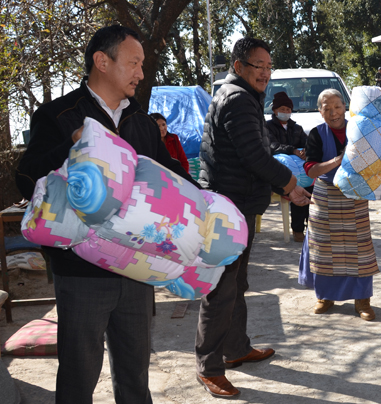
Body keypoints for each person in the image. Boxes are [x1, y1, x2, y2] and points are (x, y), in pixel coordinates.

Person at [15, 25, 200, 404]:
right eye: (134, 63)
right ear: (102, 61)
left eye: (142, 64)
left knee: (135, 376)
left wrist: (205, 200)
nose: (141, 73)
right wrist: (71, 147)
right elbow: (26, 178)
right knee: (78, 377)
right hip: (81, 272)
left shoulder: (141, 121)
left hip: (137, 267)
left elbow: (169, 172)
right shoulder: (58, 116)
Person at [196, 37, 311, 398]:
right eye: (258, 66)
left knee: (236, 283)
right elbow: (254, 157)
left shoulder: (242, 96)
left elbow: (254, 155)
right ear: (238, 66)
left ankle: (235, 348)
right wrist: (290, 185)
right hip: (227, 208)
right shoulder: (237, 100)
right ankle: (209, 367)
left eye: (268, 66)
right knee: (220, 288)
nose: (265, 73)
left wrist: (281, 185)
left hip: (237, 205)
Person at [299, 89, 381, 321]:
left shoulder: (362, 129)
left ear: (346, 107)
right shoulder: (316, 134)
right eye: (327, 108)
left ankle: (362, 300)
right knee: (324, 249)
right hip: (325, 197)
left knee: (359, 249)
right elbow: (311, 170)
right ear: (320, 111)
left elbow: (379, 157)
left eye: (337, 107)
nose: (333, 113)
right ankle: (325, 296)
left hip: (356, 195)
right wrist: (337, 161)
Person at [266, 91, 311, 242]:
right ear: (275, 110)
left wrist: (306, 151)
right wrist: (293, 150)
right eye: (282, 109)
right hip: (279, 171)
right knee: (296, 184)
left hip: (299, 170)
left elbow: (307, 143)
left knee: (310, 187)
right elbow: (272, 146)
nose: (285, 112)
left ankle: (311, 228)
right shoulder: (267, 127)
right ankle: (298, 229)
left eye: (288, 109)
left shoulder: (297, 128)